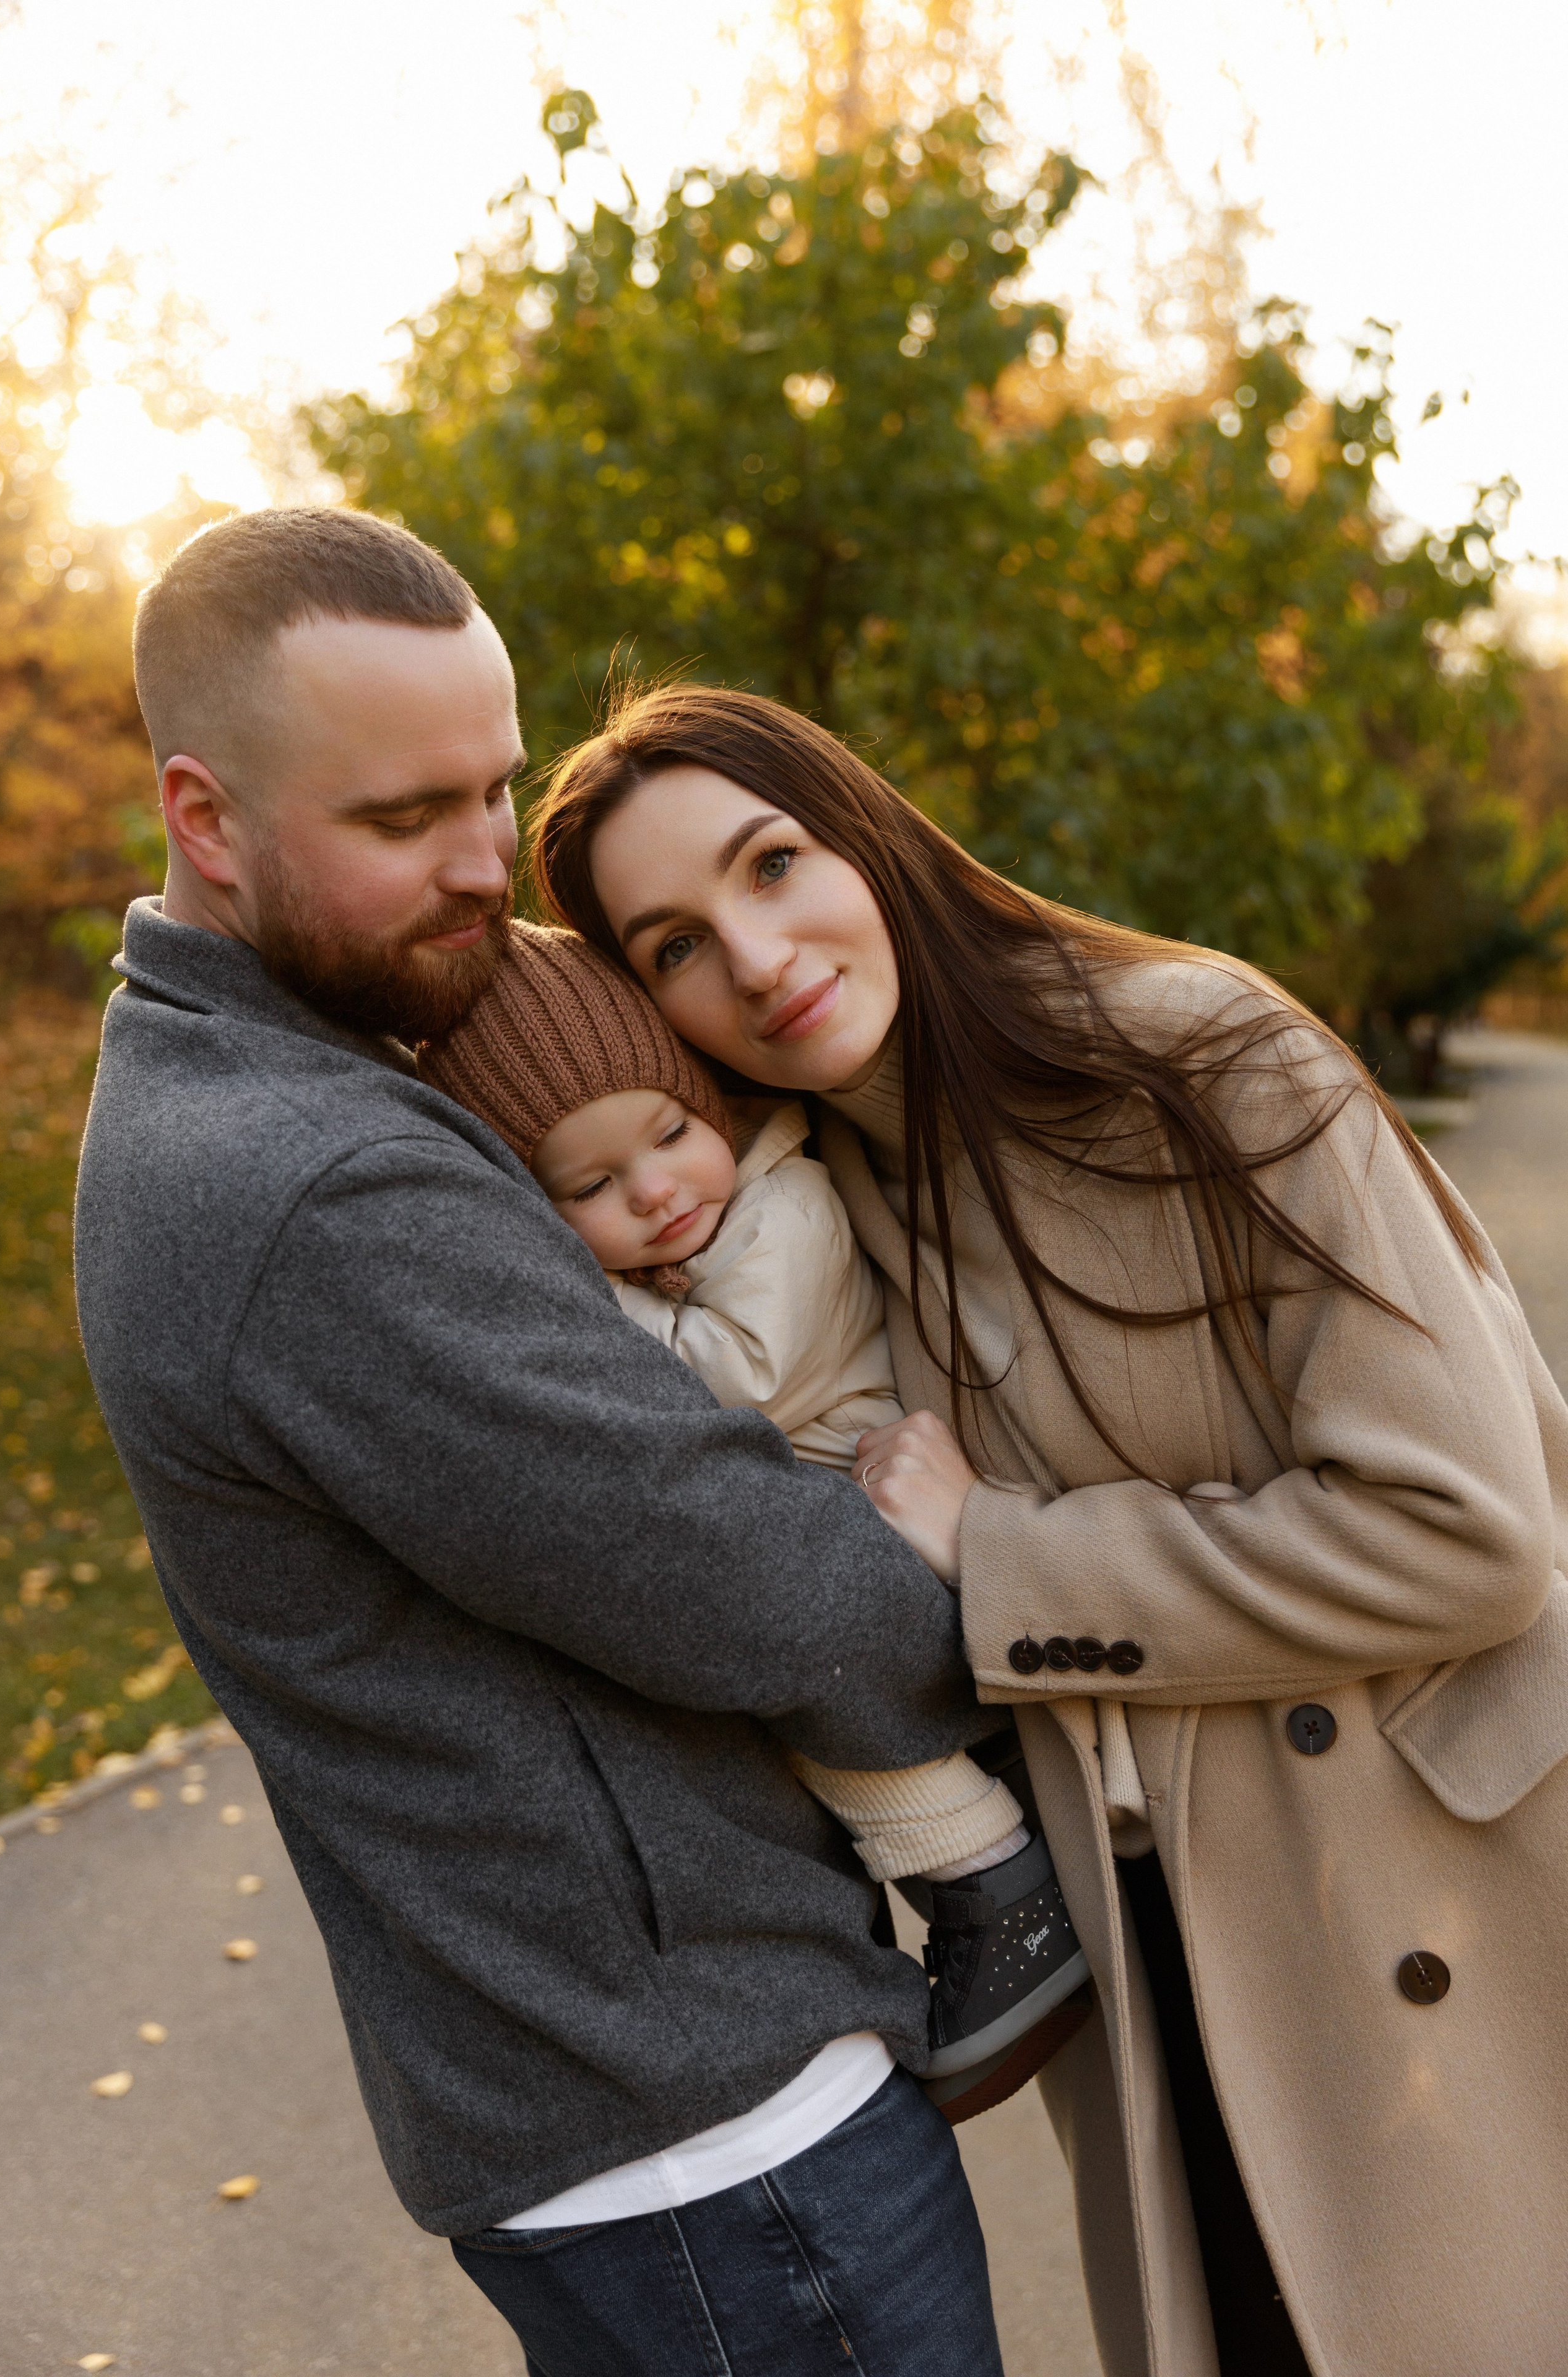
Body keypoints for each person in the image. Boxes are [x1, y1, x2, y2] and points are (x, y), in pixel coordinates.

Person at [529, 676, 1568, 2377]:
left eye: (773, 863)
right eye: (675, 946)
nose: (758, 954)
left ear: (862, 834)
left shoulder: (1204, 1055)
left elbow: (1465, 1531)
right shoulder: (819, 1199)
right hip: (1170, 1961)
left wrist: (1004, 1555)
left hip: (1442, 1909)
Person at [72, 509, 1012, 2377]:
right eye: (402, 816)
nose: (485, 867)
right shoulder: (314, 1178)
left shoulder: (271, 1076)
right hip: (707, 2134)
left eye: (494, 792)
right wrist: (1056, 1589)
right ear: (206, 818)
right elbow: (761, 1591)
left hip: (648, 2106)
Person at [417, 918, 1091, 2116]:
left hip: (876, 1525)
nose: (658, 1189)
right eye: (592, 1187)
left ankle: (999, 1888)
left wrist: (578, 1314)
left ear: (708, 1105)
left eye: (671, 1133)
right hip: (825, 1511)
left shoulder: (785, 1210)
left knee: (805, 1680)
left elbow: (735, 1377)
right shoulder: (701, 1233)